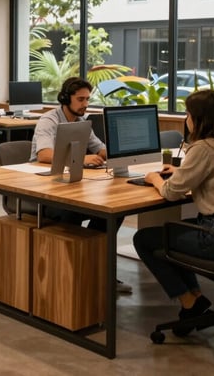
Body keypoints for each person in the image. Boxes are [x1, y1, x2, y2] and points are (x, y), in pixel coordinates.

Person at [133, 89, 214, 336]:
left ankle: (189, 303)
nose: (186, 118)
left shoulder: (203, 148)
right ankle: (196, 299)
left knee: (144, 238)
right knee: (175, 233)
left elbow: (170, 193)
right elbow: (213, 175)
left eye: (188, 113)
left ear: (198, 118)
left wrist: (155, 178)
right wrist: (181, 172)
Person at [30, 76, 131, 293]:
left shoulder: (81, 123)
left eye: (88, 99)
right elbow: (45, 154)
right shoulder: (48, 120)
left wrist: (114, 151)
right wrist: (81, 158)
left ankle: (96, 267)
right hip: (41, 185)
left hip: (72, 183)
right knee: (73, 212)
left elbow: (100, 148)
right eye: (81, 99)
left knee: (114, 212)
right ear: (66, 99)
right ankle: (72, 271)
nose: (85, 104)